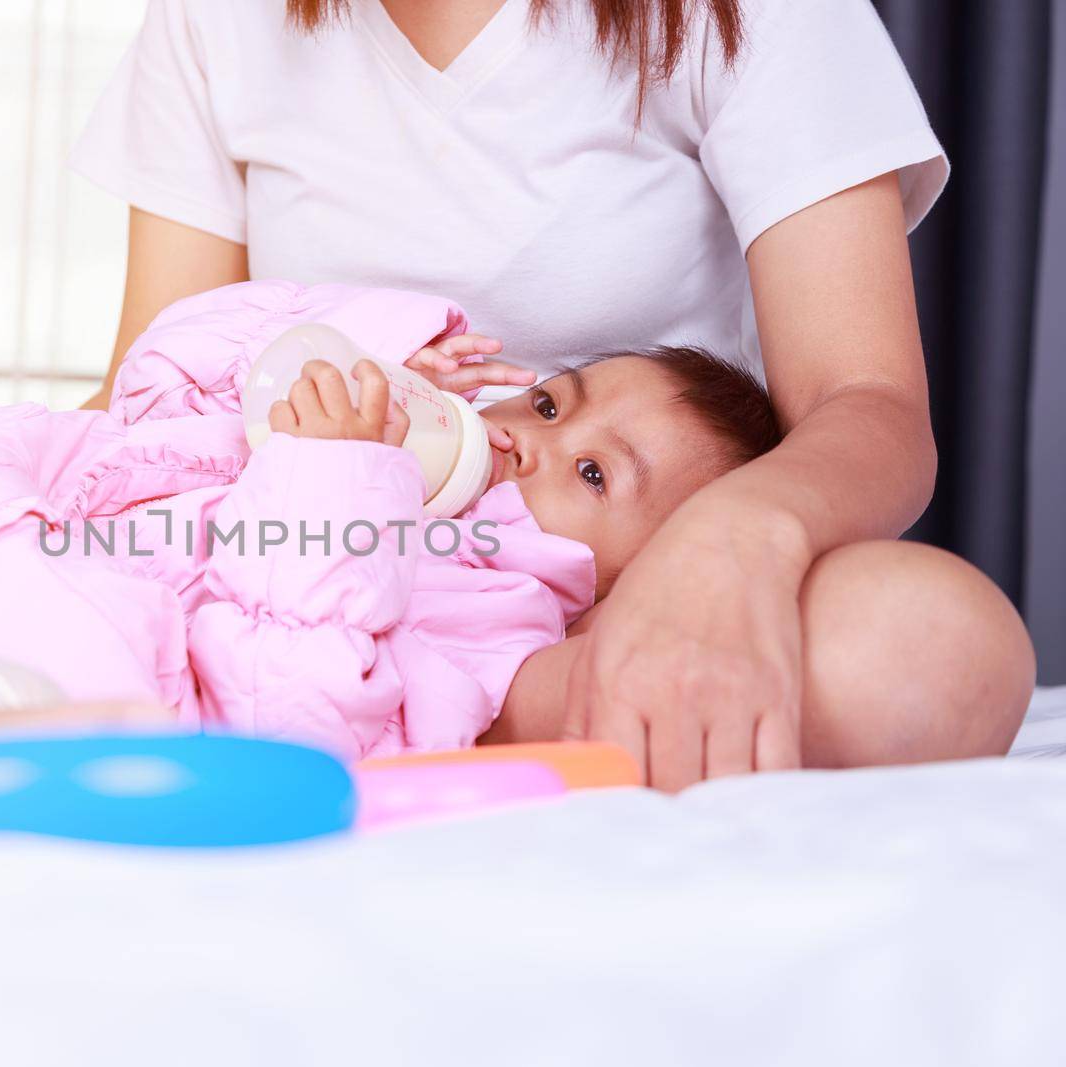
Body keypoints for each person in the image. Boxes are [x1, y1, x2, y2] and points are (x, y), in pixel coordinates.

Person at [68, 0, 1036, 788]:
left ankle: (435, 708)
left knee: (938, 642)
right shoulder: (214, 25)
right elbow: (149, 393)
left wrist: (727, 544)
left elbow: (867, 401)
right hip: (280, 562)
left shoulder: (747, 18)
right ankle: (358, 695)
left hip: (611, 607)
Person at [0, 281, 807, 787]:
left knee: (44, 666)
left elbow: (303, 715)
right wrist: (368, 339)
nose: (524, 437)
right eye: (551, 397)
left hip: (1, 695)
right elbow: (164, 369)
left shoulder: (493, 612)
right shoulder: (368, 409)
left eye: (587, 471)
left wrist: (332, 481)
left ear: (621, 581)